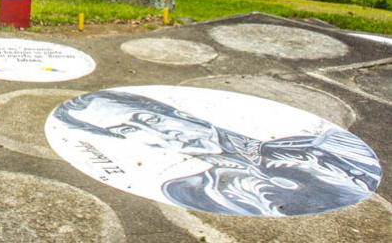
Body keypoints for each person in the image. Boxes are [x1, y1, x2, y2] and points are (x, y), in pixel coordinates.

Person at [52, 90, 381, 216]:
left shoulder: (316, 142)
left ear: (174, 111)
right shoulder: (194, 188)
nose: (157, 134)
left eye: (148, 118)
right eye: (128, 131)